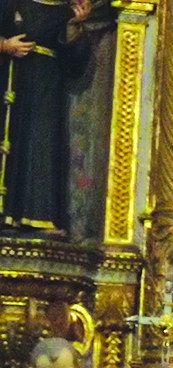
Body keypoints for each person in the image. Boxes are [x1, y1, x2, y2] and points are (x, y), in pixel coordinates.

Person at [0, 0, 90, 234]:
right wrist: (3, 46)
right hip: (11, 80)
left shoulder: (65, 10)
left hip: (48, 87)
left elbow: (77, 60)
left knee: (42, 147)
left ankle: (39, 213)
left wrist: (74, 26)